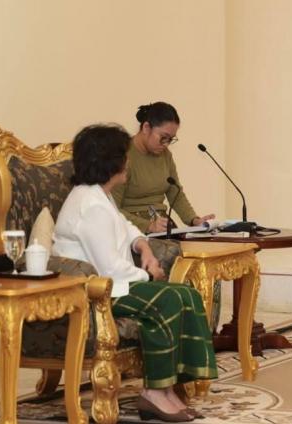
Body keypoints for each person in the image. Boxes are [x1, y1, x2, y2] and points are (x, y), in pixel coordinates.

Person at [54, 124, 216, 422]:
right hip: (96, 292)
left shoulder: (100, 195)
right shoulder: (91, 205)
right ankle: (154, 392)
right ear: (110, 162)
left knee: (187, 295)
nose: (128, 162)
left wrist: (143, 246)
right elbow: (110, 269)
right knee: (169, 299)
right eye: (124, 156)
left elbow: (124, 226)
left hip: (112, 285)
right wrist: (149, 276)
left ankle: (168, 388)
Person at [112, 101, 215, 234]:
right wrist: (148, 226)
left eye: (170, 139)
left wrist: (194, 220)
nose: (166, 144)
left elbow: (176, 193)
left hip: (162, 226)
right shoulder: (122, 156)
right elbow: (112, 209)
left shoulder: (165, 155)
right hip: (132, 230)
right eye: (163, 137)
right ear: (146, 128)